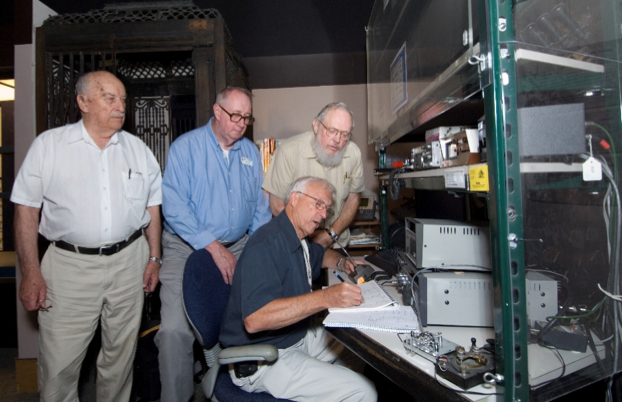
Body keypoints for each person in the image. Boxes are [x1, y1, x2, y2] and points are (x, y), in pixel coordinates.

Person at [11, 70, 162, 401]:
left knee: (120, 360)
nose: (120, 106)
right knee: (60, 365)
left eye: (123, 99)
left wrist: (154, 257)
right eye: (110, 98)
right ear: (83, 102)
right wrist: (31, 272)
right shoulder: (50, 147)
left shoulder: (138, 149)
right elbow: (25, 210)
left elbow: (153, 206)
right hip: (68, 267)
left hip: (129, 264)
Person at [157, 86, 271, 401]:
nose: (241, 123)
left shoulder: (249, 153)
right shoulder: (185, 148)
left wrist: (256, 252)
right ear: (217, 112)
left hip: (237, 245)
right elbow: (174, 207)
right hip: (185, 246)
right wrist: (213, 246)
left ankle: (241, 388)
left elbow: (260, 210)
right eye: (235, 115)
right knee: (174, 332)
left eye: (247, 118)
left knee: (247, 318)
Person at [220, 176, 377, 401]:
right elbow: (255, 320)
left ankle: (332, 388)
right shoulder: (266, 243)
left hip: (294, 337)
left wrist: (341, 262)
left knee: (360, 342)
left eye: (327, 209)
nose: (324, 215)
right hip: (264, 357)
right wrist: (326, 298)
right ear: (294, 198)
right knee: (364, 392)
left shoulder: (297, 237)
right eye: (318, 204)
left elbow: (321, 255)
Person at [262, 102, 365, 248]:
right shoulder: (288, 151)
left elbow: (353, 198)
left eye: (344, 134)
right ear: (316, 126)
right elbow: (276, 205)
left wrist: (332, 233)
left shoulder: (353, 153)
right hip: (297, 243)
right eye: (332, 131)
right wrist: (307, 235)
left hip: (336, 243)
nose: (337, 140)